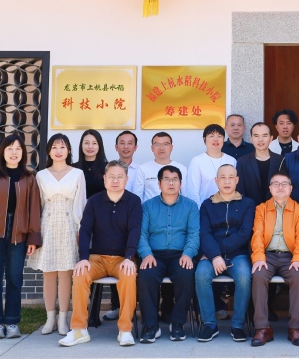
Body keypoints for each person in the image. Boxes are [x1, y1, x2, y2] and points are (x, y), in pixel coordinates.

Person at [59, 160, 141, 348]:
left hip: (122, 259)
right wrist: (83, 259)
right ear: (104, 179)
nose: (115, 180)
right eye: (111, 177)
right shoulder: (94, 201)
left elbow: (135, 230)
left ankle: (125, 330)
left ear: (126, 179)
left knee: (129, 275)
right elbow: (85, 230)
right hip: (97, 259)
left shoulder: (134, 201)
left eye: (119, 177)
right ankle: (79, 329)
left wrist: (129, 257)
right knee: (80, 274)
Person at [0, 134, 42, 340]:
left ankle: (12, 322)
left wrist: (33, 237)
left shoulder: (29, 179)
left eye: (18, 148)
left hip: (18, 236)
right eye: (10, 148)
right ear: (2, 152)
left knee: (15, 279)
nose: (14, 153)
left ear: (23, 153)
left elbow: (34, 209)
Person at [29, 133, 86, 337]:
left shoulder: (77, 173)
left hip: (69, 223)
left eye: (62, 147)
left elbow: (81, 203)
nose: (58, 151)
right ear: (49, 151)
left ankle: (63, 318)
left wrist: (80, 229)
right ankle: (50, 318)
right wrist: (35, 233)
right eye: (54, 147)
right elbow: (37, 206)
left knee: (65, 273)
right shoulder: (41, 175)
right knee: (48, 272)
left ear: (69, 150)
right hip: (48, 224)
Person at [137, 165, 200, 343]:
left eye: (175, 180)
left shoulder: (190, 206)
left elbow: (194, 234)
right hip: (154, 255)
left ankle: (178, 323)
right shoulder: (147, 206)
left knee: (186, 274)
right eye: (167, 179)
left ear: (181, 183)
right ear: (159, 184)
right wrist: (146, 254)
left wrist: (188, 254)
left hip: (180, 254)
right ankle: (150, 325)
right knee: (146, 276)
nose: (171, 183)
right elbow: (141, 234)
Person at [195, 164, 255, 343]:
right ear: (216, 180)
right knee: (201, 274)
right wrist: (214, 256)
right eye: (223, 177)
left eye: (231, 177)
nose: (227, 181)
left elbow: (244, 233)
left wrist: (216, 253)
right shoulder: (207, 205)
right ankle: (209, 324)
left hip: (237, 254)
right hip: (212, 255)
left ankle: (237, 325)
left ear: (237, 180)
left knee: (244, 276)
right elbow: (204, 233)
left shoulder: (247, 203)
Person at [250, 172, 299, 347]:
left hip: (290, 256)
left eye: (284, 184)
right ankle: (262, 328)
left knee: (298, 276)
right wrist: (259, 257)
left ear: (291, 188)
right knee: (258, 275)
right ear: (270, 188)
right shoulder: (261, 208)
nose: (280, 187)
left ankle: (295, 327)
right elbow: (257, 235)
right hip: (267, 255)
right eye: (276, 184)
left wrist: (298, 259)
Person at [103, 130, 143, 322]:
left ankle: (132, 306)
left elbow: (140, 195)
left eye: (130, 143)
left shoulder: (140, 170)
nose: (126, 146)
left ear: (135, 147)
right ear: (116, 146)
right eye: (122, 143)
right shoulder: (109, 169)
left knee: (132, 263)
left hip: (134, 219)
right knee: (114, 257)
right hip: (112, 222)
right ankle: (116, 306)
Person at [185, 124, 237, 206]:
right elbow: (193, 192)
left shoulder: (232, 160)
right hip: (205, 209)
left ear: (223, 139)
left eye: (219, 136)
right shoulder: (197, 161)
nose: (216, 139)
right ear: (204, 139)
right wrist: (199, 210)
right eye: (211, 136)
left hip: (229, 208)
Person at [237, 122, 284, 205]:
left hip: (274, 208)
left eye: (264, 136)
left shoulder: (280, 160)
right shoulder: (242, 161)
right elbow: (240, 190)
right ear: (251, 138)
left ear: (271, 138)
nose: (260, 140)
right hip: (250, 208)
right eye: (256, 136)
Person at [138, 132, 188, 202]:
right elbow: (138, 196)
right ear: (152, 148)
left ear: (171, 147)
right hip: (150, 208)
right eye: (157, 145)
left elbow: (185, 195)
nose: (161, 148)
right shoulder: (143, 169)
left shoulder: (182, 168)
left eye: (165, 144)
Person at [74, 129, 107, 199]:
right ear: (81, 145)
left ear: (99, 146)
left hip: (100, 205)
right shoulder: (73, 168)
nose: (90, 147)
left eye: (94, 143)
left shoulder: (108, 168)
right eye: (86, 143)